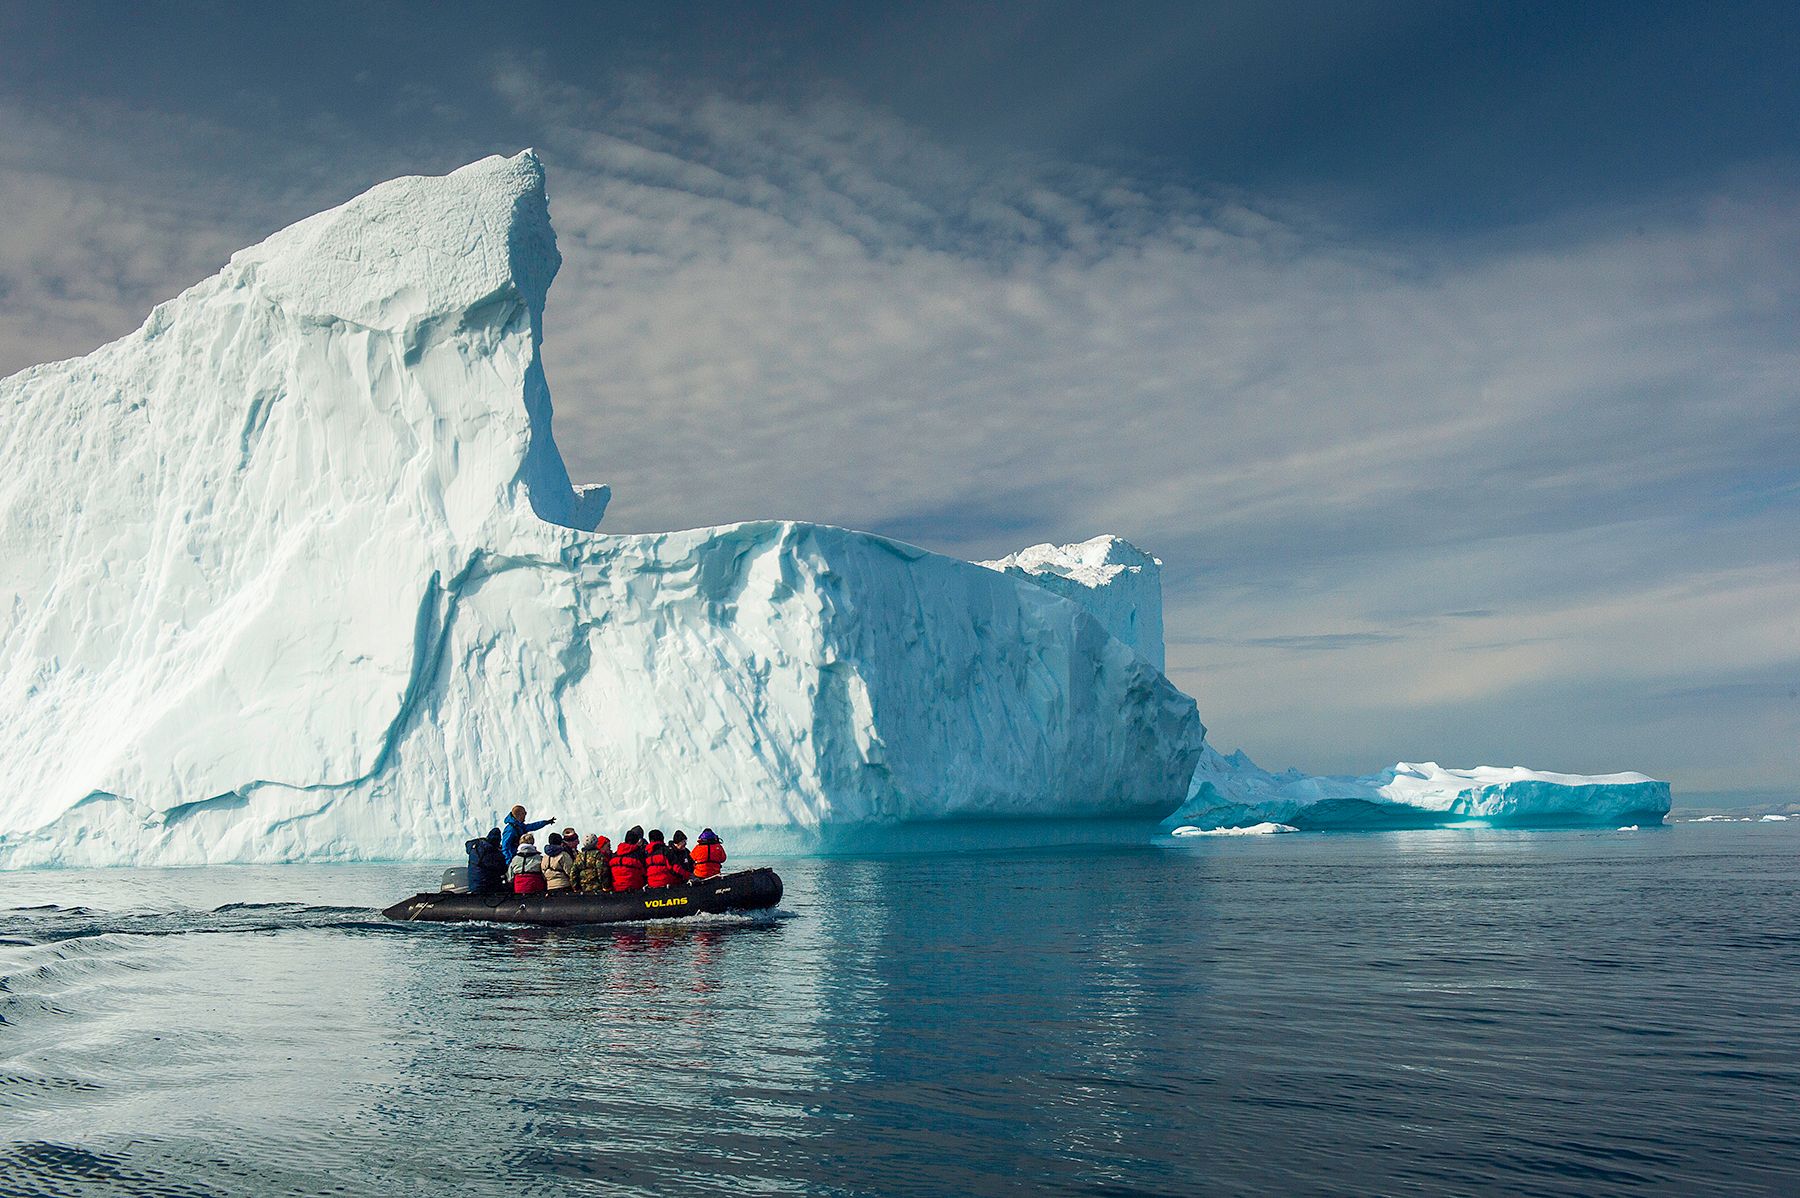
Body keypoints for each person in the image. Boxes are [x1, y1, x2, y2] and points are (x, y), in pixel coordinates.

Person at [465, 828, 507, 893]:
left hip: (473, 885)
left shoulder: (475, 847)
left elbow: (468, 844)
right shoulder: (494, 854)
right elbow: (503, 869)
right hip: (486, 887)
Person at [608, 826, 648, 892]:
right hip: (634, 888)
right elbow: (644, 872)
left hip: (616, 888)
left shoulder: (615, 855)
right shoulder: (639, 854)